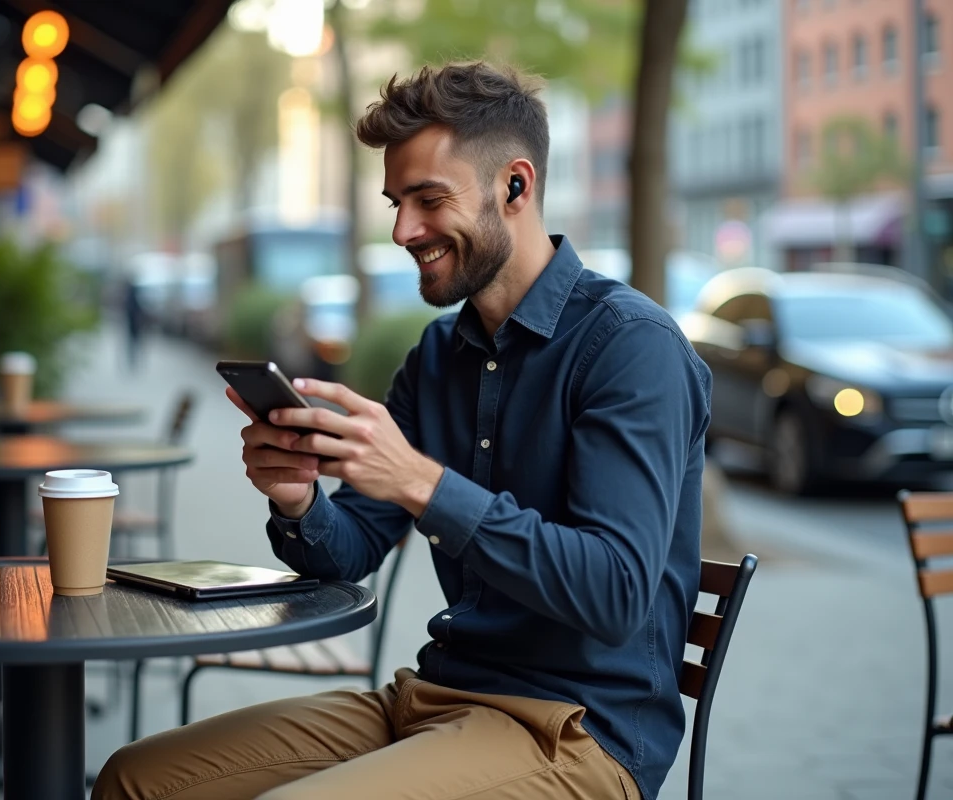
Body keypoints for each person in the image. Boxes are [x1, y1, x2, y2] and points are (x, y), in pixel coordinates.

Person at [94, 61, 711, 800]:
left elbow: (614, 593)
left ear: (515, 186)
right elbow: (350, 550)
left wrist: (422, 481)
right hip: (432, 699)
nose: (402, 230)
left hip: (579, 737)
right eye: (395, 202)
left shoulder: (630, 347)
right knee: (137, 779)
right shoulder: (437, 357)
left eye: (427, 200)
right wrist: (299, 503)